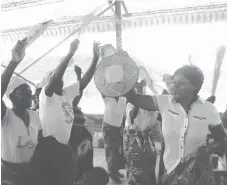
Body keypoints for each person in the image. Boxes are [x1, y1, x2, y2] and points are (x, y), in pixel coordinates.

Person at [125, 64, 227, 185]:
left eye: (181, 83)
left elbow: (221, 138)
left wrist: (208, 149)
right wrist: (126, 74)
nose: (174, 86)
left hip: (198, 175)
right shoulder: (164, 102)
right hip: (170, 172)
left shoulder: (208, 109)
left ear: (194, 87)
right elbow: (134, 98)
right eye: (174, 82)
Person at [39, 39, 100, 144]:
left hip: (64, 146)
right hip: (49, 149)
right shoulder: (46, 96)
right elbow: (55, 78)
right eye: (52, 76)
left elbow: (85, 80)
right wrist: (70, 53)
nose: (59, 76)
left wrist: (95, 58)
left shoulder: (66, 93)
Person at [1, 39, 42, 184]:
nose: (30, 95)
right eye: (24, 92)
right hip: (10, 173)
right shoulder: (5, 116)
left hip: (33, 171)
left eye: (30, 92)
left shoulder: (35, 116)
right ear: (11, 96)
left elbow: (41, 141)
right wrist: (13, 62)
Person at [100, 44, 127, 184]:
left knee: (117, 151)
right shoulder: (107, 96)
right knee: (111, 151)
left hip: (118, 126)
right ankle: (112, 174)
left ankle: (115, 171)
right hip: (109, 126)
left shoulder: (122, 97)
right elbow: (101, 81)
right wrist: (101, 59)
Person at [124, 80, 157, 185]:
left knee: (149, 165)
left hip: (147, 139)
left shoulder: (149, 104)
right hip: (133, 140)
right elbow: (132, 117)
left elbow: (155, 116)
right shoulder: (130, 104)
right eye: (136, 87)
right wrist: (138, 100)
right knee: (135, 167)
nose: (139, 89)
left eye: (140, 87)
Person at [68, 65, 94, 181]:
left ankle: (85, 178)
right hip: (73, 136)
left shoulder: (70, 103)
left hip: (81, 134)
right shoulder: (64, 105)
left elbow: (79, 91)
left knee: (84, 163)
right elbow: (79, 92)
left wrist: (78, 75)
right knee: (76, 163)